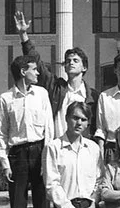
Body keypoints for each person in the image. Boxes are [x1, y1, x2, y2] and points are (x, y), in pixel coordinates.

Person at [0, 54, 53, 208]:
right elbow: (0, 133)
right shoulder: (6, 98)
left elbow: (49, 127)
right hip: (17, 156)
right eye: (34, 69)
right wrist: (4, 163)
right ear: (22, 72)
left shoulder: (42, 94)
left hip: (39, 153)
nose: (37, 73)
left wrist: (47, 159)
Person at [16, 11, 99, 139]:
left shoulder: (93, 97)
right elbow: (37, 62)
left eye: (75, 61)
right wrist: (23, 35)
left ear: (84, 67)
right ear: (64, 67)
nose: (71, 63)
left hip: (82, 149)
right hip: (57, 147)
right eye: (67, 61)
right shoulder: (56, 88)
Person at [43, 102, 105, 208]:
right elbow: (52, 185)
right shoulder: (53, 147)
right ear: (66, 118)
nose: (79, 123)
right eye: (75, 118)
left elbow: (100, 180)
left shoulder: (93, 148)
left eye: (83, 119)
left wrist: (92, 205)